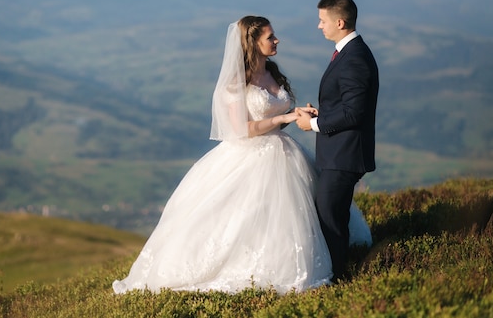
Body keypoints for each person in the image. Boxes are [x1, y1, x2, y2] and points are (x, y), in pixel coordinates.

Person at [113, 16, 370, 295]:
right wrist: (283, 116)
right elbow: (243, 129)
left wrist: (296, 115)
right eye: (270, 37)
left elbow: (274, 117)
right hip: (249, 157)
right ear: (252, 43)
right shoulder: (235, 84)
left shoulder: (272, 71)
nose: (276, 40)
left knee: (292, 214)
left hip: (284, 152)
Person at [294, 0, 379, 282]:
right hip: (340, 152)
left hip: (344, 155)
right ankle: (337, 274)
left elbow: (354, 113)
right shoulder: (350, 52)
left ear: (339, 22)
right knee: (331, 215)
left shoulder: (354, 58)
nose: (319, 26)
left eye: (322, 20)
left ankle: (338, 280)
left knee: (330, 220)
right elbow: (347, 104)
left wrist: (315, 125)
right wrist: (322, 112)